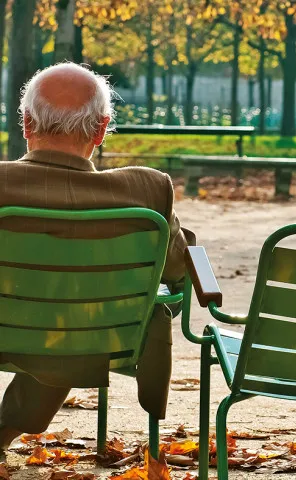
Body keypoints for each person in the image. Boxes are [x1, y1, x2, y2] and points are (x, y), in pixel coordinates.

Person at [0, 63, 195, 446]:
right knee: (72, 312)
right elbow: (176, 272)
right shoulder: (148, 192)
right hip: (95, 335)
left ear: (26, 124)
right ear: (102, 129)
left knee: (54, 307)